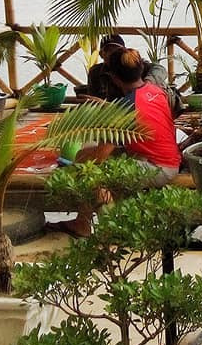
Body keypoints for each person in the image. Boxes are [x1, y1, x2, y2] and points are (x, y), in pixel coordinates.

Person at [53, 48, 182, 237]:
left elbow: (101, 156)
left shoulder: (124, 109)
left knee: (91, 172)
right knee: (84, 154)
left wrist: (72, 168)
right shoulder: (155, 90)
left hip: (158, 167)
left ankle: (112, 230)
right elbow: (142, 111)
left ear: (113, 77)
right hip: (167, 158)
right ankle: (83, 222)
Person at [85, 34, 179, 114]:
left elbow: (160, 69)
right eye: (108, 50)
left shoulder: (132, 64)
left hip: (133, 110)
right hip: (111, 115)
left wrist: (147, 85)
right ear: (101, 54)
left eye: (117, 50)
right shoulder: (96, 72)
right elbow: (92, 100)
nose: (112, 53)